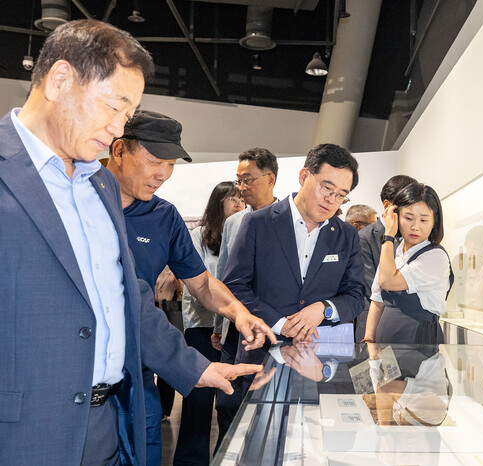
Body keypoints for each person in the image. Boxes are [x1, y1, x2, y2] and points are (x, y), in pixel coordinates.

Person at [0, 19, 262, 465]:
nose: (118, 129)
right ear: (60, 80)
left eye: (127, 115)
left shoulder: (100, 185)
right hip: (25, 437)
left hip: (109, 427)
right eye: (114, 107)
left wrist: (196, 368)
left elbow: (127, 301)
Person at [106, 110, 276, 464]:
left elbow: (201, 282)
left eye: (170, 165)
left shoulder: (164, 216)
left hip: (139, 370)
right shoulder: (80, 202)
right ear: (119, 150)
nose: (163, 174)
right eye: (155, 161)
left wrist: (239, 314)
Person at [220, 143, 365, 425]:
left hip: (318, 361)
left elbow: (356, 295)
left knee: (311, 438)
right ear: (303, 176)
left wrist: (324, 308)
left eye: (340, 195)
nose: (331, 200)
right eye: (326, 188)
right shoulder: (258, 223)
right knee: (255, 436)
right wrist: (279, 323)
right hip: (261, 357)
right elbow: (234, 286)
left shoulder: (346, 236)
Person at [174, 182, 245, 465]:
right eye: (232, 199)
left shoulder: (243, 232)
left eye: (242, 200)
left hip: (232, 327)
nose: (239, 204)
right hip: (202, 325)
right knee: (198, 402)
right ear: (218, 203)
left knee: (229, 403)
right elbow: (198, 283)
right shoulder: (198, 235)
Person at [213, 147, 280, 444]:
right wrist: (220, 325)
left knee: (261, 401)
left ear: (270, 179)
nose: (241, 187)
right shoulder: (234, 222)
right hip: (234, 325)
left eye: (248, 179)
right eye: (238, 180)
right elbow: (223, 277)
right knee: (227, 401)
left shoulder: (287, 221)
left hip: (269, 326)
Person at [363, 183, 454, 344]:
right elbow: (377, 301)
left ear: (435, 221)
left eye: (424, 220)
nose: (415, 227)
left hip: (418, 344)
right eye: (408, 218)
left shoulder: (436, 256)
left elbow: (387, 281)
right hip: (386, 344)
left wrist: (388, 236)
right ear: (396, 217)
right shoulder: (395, 251)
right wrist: (369, 339)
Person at [355, 175, 417, 341]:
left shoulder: (412, 235)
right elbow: (370, 286)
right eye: (405, 205)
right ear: (387, 205)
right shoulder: (364, 238)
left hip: (407, 327)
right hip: (374, 325)